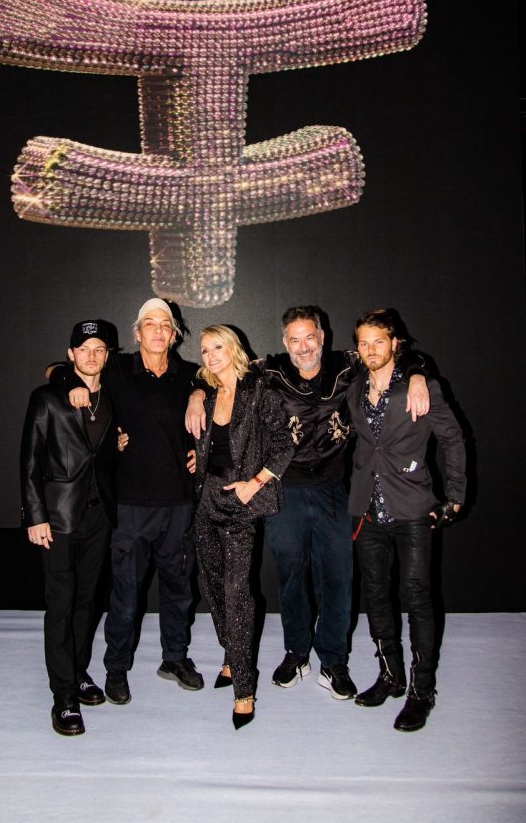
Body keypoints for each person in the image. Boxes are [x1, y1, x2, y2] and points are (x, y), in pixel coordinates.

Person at [186, 306, 430, 701]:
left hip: (335, 488)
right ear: (285, 342)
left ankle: (334, 662)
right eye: (295, 339)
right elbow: (220, 370)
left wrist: (417, 376)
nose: (303, 347)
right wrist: (197, 395)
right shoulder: (270, 371)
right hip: (287, 488)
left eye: (309, 338)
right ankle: (296, 653)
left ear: (322, 337)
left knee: (338, 575)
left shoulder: (348, 365)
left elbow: (400, 354)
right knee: (291, 575)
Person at [53, 298, 203, 705]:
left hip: (179, 503)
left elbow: (219, 380)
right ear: (137, 333)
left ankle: (175, 658)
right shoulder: (116, 368)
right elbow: (58, 370)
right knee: (125, 593)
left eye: (165, 325)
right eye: (149, 324)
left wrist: (198, 394)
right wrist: (69, 384)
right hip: (131, 505)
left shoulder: (189, 374)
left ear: (174, 334)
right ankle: (116, 668)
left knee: (179, 589)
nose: (158, 330)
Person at [347, 309, 466, 732]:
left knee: (416, 597)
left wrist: (455, 495)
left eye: (378, 341)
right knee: (376, 595)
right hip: (367, 509)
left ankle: (422, 690)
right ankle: (391, 676)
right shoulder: (354, 388)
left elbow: (452, 438)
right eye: (364, 343)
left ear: (395, 343)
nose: (370, 349)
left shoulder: (420, 385)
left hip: (412, 506)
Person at [192, 326, 294, 728]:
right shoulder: (208, 395)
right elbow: (212, 445)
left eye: (218, 347)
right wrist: (198, 457)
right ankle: (231, 656)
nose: (211, 355)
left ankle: (244, 690)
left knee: (238, 593)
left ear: (234, 349)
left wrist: (256, 482)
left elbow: (284, 444)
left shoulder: (260, 392)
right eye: (205, 350)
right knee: (212, 584)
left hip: (239, 503)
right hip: (206, 500)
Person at [21, 320, 118, 736]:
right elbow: (29, 460)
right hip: (58, 519)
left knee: (87, 602)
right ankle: (63, 697)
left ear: (107, 356)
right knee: (60, 604)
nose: (91, 355)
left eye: (99, 349)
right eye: (84, 349)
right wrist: (35, 516)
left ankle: (77, 672)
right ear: (71, 354)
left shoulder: (112, 397)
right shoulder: (47, 398)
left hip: (100, 518)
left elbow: (102, 454)